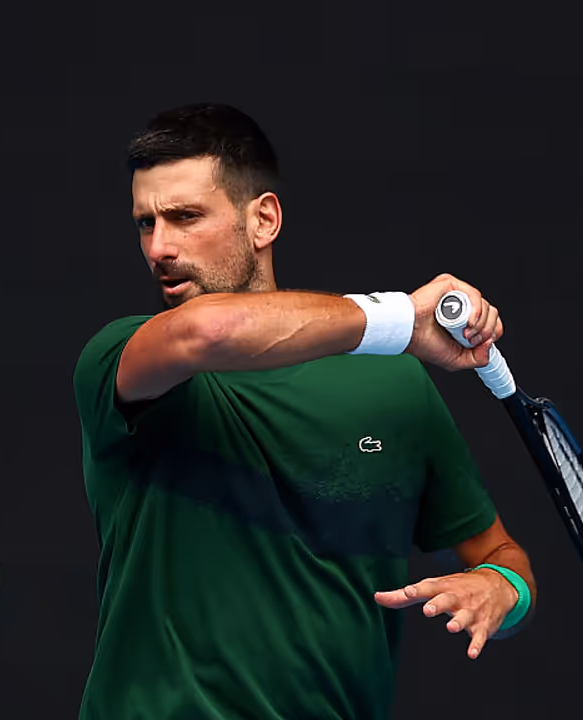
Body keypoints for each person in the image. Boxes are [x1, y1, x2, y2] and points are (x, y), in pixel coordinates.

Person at [72, 103, 537, 720]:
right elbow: (206, 333)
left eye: (184, 217)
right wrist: (403, 317)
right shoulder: (122, 358)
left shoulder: (393, 385)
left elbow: (500, 554)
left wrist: (502, 589)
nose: (159, 247)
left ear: (262, 220)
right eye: (144, 224)